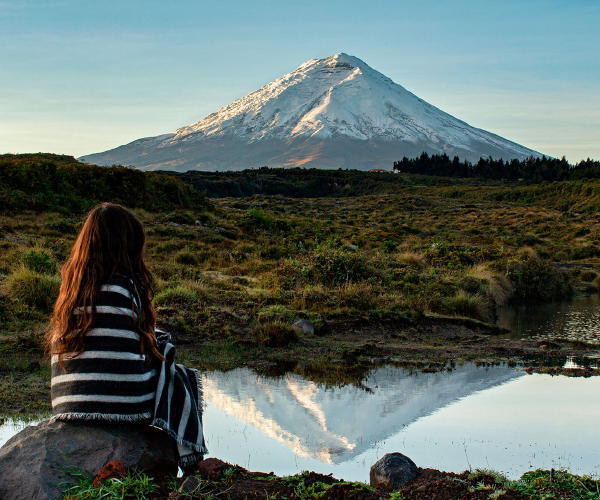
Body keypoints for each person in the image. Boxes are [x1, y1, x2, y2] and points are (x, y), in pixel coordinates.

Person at [45, 202, 207, 472]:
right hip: (125, 404)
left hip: (67, 402)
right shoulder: (127, 285)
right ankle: (191, 461)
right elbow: (144, 346)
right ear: (128, 245)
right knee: (178, 373)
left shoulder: (71, 286)